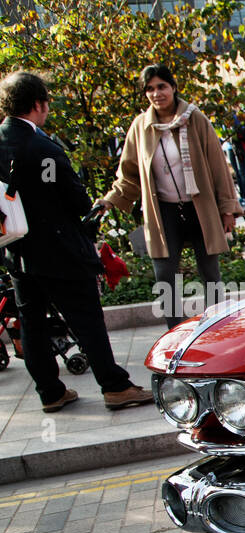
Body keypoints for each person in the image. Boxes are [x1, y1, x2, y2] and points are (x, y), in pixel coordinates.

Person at [0, 72, 151, 412]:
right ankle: (114, 386)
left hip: (17, 252)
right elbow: (73, 201)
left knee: (32, 322)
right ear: (39, 104)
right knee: (86, 319)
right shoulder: (44, 147)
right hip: (59, 250)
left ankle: (50, 392)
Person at [94, 64, 242, 329]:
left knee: (210, 273)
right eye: (149, 88)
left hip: (200, 209)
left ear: (173, 87)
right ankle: (175, 332)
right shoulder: (141, 127)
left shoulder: (195, 119)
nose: (156, 93)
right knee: (164, 276)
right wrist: (110, 199)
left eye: (161, 86)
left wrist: (227, 209)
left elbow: (218, 166)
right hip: (164, 212)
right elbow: (129, 174)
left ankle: (218, 329)